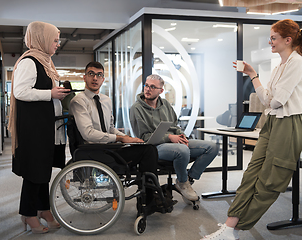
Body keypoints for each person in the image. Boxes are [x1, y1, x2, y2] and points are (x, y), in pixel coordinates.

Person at [201, 19, 302, 240]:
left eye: (274, 38)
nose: (270, 41)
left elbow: (277, 100)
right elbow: (267, 99)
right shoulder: (278, 67)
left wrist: (271, 99)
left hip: (289, 123)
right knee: (251, 175)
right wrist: (252, 74)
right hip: (273, 122)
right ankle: (230, 227)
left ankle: (236, 228)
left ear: (288, 40)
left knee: (270, 180)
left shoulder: (297, 63)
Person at [69, 61, 166, 209]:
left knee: (148, 148)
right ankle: (150, 200)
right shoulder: (78, 101)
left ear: (103, 79)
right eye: (91, 74)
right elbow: (88, 134)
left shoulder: (106, 100)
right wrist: (120, 138)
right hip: (92, 151)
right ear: (84, 77)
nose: (95, 78)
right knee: (147, 152)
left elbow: (110, 128)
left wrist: (129, 139)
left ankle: (149, 196)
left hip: (110, 149)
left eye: (99, 75)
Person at [8, 21, 70, 234]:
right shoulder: (30, 61)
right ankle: (28, 214)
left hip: (44, 127)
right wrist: (50, 94)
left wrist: (56, 93)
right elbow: (20, 92)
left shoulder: (45, 61)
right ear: (42, 39)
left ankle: (44, 209)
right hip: (34, 129)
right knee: (34, 173)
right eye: (54, 40)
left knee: (42, 171)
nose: (57, 44)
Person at [129, 74, 218, 203]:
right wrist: (170, 137)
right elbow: (144, 138)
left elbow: (174, 125)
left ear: (161, 91)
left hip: (173, 142)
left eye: (152, 87)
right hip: (152, 148)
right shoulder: (136, 108)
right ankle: (183, 183)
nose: (148, 89)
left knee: (212, 148)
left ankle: (187, 180)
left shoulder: (164, 104)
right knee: (182, 150)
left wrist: (181, 136)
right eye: (146, 86)